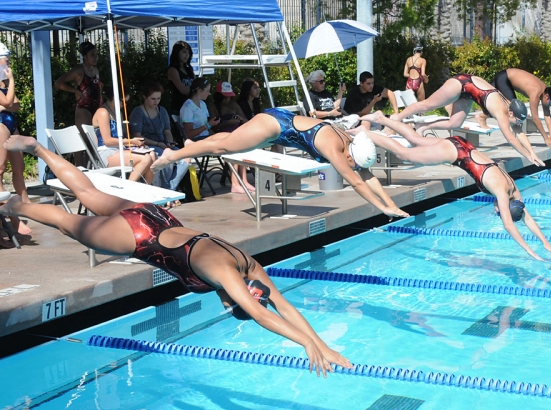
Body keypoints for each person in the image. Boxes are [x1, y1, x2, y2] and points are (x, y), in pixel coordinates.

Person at [0, 135, 353, 377]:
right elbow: (262, 314)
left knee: (88, 192)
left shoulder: (249, 266)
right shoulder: (224, 275)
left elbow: (283, 306)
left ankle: (37, 149)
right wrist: (307, 343)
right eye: (232, 305)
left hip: (156, 216)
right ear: (236, 299)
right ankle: (16, 204)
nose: (227, 304)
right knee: (67, 223)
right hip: (139, 235)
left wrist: (322, 345)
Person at [361, 111, 551, 261]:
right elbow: (509, 225)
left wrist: (545, 242)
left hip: (462, 144)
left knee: (415, 140)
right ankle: (364, 134)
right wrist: (528, 250)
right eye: (499, 212)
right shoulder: (501, 192)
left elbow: (526, 215)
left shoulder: (512, 188)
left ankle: (382, 119)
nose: (496, 211)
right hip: (455, 153)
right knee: (404, 154)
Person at [151, 107, 410, 219]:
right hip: (274, 127)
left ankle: (190, 147)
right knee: (223, 147)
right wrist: (380, 208)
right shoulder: (333, 147)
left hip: (280, 122)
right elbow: (356, 182)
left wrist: (392, 204)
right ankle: (173, 155)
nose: (353, 167)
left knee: (231, 140)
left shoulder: (349, 143)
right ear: (350, 155)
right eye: (353, 163)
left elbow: (367, 176)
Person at [391, 73, 545, 167]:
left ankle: (421, 125)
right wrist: (527, 156)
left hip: (469, 93)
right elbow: (511, 138)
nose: (518, 125)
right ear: (511, 113)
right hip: (461, 83)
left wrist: (532, 152)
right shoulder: (501, 112)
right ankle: (396, 118)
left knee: (455, 123)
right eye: (517, 121)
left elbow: (518, 131)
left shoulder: (511, 111)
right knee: (426, 105)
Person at [475, 69, 551, 150]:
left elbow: (547, 114)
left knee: (493, 103)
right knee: (513, 110)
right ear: (547, 96)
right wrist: (546, 138)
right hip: (504, 79)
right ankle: (514, 139)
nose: (550, 106)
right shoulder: (536, 94)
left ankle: (482, 117)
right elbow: (535, 119)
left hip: (506, 78)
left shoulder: (545, 92)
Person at [129, 81, 189, 192]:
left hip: (163, 144)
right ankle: (168, 190)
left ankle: (170, 188)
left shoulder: (163, 111)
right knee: (165, 156)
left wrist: (170, 142)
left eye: (158, 98)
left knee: (186, 157)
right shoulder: (138, 112)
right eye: (153, 99)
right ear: (144, 97)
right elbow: (138, 136)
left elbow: (167, 131)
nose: (156, 102)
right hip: (147, 145)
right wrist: (158, 144)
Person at [92, 86, 156, 183]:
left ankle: (148, 188)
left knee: (152, 155)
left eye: (126, 102)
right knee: (145, 159)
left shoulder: (118, 113)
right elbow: (107, 141)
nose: (124, 105)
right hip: (106, 153)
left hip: (119, 150)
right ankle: (128, 189)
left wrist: (134, 143)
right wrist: (131, 141)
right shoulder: (103, 112)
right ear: (114, 98)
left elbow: (119, 139)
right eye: (122, 101)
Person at [54, 41, 102, 166]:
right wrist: (75, 90)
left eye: (96, 54)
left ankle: (92, 168)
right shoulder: (78, 70)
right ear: (84, 56)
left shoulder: (95, 70)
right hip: (83, 108)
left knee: (94, 141)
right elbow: (59, 83)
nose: (95, 57)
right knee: (82, 141)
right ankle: (79, 168)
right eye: (92, 55)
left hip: (96, 107)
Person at [0, 42, 31, 235]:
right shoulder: (6, 82)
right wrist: (11, 81)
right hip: (1, 125)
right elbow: (8, 101)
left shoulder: (3, 83)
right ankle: (11, 217)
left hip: (11, 124)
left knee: (19, 167)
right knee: (1, 168)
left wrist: (6, 105)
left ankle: (26, 205)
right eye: (6, 59)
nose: (9, 62)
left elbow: (15, 105)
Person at [208, 81, 253, 194]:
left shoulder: (234, 105)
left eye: (229, 97)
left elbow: (246, 121)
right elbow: (214, 127)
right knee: (236, 147)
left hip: (236, 133)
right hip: (221, 135)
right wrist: (228, 122)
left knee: (243, 147)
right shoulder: (213, 106)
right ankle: (235, 183)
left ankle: (244, 180)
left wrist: (239, 119)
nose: (227, 100)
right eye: (225, 97)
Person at [167, 41, 195, 118]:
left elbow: (197, 83)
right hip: (178, 107)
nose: (187, 55)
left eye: (188, 53)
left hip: (192, 106)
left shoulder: (189, 69)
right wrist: (195, 91)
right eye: (184, 52)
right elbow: (183, 90)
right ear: (177, 53)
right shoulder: (172, 70)